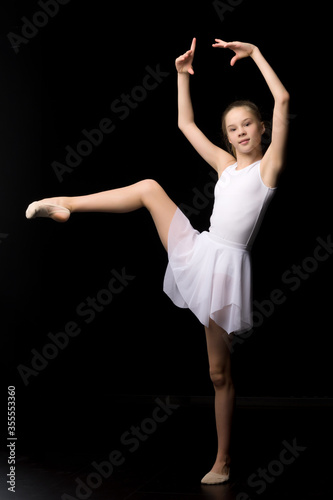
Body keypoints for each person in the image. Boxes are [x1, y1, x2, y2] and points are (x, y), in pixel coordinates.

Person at [26, 38, 290, 484]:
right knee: (149, 187)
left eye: (248, 125)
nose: (241, 132)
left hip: (226, 270)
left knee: (219, 372)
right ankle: (64, 202)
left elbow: (282, 99)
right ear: (227, 136)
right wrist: (183, 76)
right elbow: (186, 124)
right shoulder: (226, 166)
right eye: (232, 128)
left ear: (262, 129)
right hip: (201, 249)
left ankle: (222, 461)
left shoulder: (268, 171)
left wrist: (257, 53)